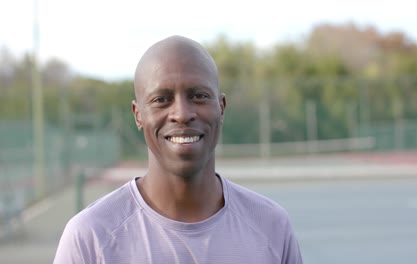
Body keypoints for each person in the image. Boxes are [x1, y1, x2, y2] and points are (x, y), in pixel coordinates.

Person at [54, 35, 303, 263]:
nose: (182, 114)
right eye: (161, 99)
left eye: (199, 96)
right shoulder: (90, 238)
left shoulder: (272, 226)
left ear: (222, 107)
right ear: (138, 115)